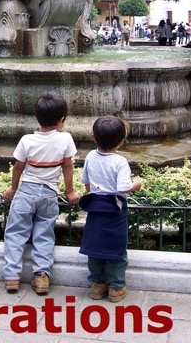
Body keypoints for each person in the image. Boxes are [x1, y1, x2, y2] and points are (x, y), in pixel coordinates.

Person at [2, 92, 80, 296]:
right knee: (44, 234)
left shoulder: (27, 140)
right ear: (61, 120)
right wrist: (70, 191)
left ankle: (12, 277)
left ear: (37, 118)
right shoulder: (65, 139)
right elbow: (67, 167)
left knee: (16, 233)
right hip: (49, 193)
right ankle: (42, 277)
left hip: (26, 192)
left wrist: (13, 188)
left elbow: (18, 167)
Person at [79, 115, 142, 303]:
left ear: (94, 138)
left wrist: (92, 197)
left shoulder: (91, 156)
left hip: (96, 206)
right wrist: (136, 185)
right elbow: (123, 187)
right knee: (116, 247)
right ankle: (116, 287)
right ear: (122, 141)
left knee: (94, 246)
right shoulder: (120, 161)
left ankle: (97, 285)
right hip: (115, 209)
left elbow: (86, 182)